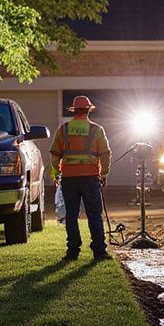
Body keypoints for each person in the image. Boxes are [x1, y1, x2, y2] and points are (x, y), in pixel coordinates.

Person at [49, 95, 112, 260]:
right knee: (94, 215)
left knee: (71, 215)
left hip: (69, 178)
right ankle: (99, 251)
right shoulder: (97, 130)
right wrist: (104, 173)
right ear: (88, 110)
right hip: (90, 178)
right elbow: (105, 153)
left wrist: (57, 172)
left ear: (74, 111)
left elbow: (55, 154)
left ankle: (72, 252)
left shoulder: (64, 129)